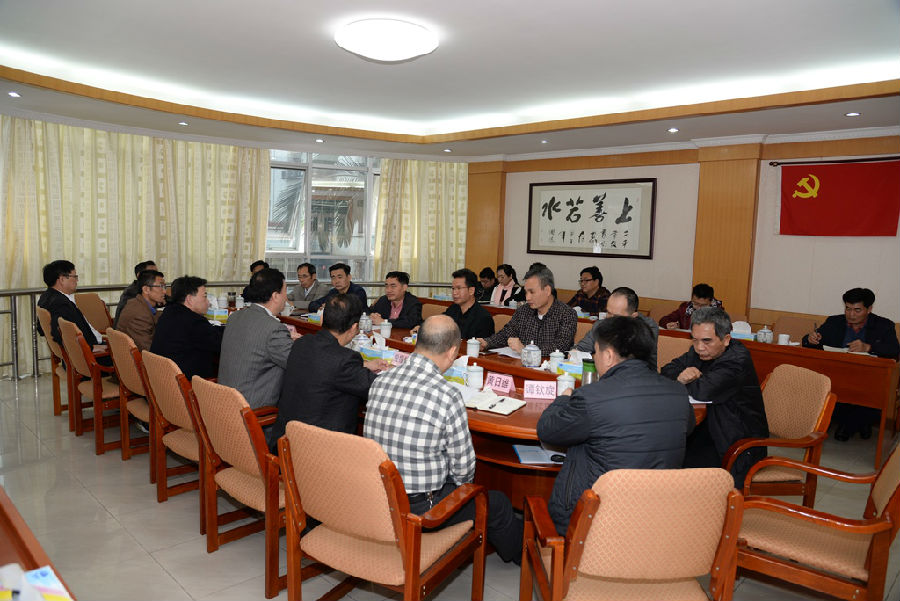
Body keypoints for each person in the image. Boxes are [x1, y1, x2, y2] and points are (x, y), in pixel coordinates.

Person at [364, 315, 523, 564]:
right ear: (451, 352)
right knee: (499, 503)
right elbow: (464, 471)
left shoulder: (380, 381)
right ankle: (527, 559)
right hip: (421, 509)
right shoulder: (446, 394)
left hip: (379, 496)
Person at [538, 316, 694, 535]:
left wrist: (563, 399)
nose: (594, 357)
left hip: (595, 519)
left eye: (595, 352)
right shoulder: (677, 392)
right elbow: (687, 428)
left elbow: (547, 430)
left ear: (609, 355)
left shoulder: (591, 397)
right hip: (656, 517)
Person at [660, 306, 768, 488]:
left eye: (707, 341)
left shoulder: (737, 360)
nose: (699, 347)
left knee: (678, 467)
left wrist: (684, 380)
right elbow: (667, 370)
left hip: (738, 443)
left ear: (726, 339)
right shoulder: (699, 351)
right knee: (665, 454)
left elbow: (703, 390)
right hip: (711, 429)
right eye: (695, 340)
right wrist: (681, 377)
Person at [268, 294, 388, 450]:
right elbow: (378, 387)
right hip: (319, 453)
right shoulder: (345, 359)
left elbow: (326, 367)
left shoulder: (302, 343)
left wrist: (364, 365)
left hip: (284, 445)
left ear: (323, 319)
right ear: (354, 327)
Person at [802, 287, 900, 440]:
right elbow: (810, 343)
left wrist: (869, 347)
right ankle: (859, 423)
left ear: (869, 309)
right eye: (848, 309)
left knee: (868, 395)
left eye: (857, 310)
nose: (851, 314)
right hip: (836, 375)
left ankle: (850, 425)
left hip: (868, 378)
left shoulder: (883, 325)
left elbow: (894, 350)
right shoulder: (834, 322)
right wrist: (810, 339)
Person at [218, 268, 301, 409]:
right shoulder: (273, 329)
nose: (286, 297)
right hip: (251, 412)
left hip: (225, 403)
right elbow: (298, 363)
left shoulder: (235, 317)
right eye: (285, 291)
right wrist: (301, 343)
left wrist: (285, 339)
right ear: (275, 296)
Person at [480, 265, 577, 355]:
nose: (527, 297)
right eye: (526, 292)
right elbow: (506, 333)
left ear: (547, 290)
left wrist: (525, 350)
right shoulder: (523, 310)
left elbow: (560, 347)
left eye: (532, 292)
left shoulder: (566, 314)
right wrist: (486, 342)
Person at [150, 275, 224, 379]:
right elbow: (221, 344)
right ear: (189, 299)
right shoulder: (193, 321)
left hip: (163, 380)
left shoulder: (170, 312)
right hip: (187, 384)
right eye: (205, 296)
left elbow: (209, 332)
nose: (208, 302)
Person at [576, 286, 660, 369]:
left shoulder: (647, 328)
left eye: (617, 316)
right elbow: (578, 351)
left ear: (633, 316)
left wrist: (596, 356)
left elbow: (632, 363)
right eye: (609, 313)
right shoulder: (601, 324)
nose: (611, 320)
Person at [37, 260, 104, 348]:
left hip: (85, 347)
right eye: (75, 277)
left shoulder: (46, 297)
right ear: (62, 279)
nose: (77, 280)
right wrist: (92, 348)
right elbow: (68, 336)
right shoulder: (60, 304)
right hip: (90, 350)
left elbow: (42, 329)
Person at [116, 269, 166, 351]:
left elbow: (155, 314)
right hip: (137, 357)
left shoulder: (136, 302)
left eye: (164, 287)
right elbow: (149, 350)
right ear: (146, 289)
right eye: (161, 286)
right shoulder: (140, 315)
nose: (164, 291)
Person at [443, 268, 494, 339]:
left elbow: (481, 344)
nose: (454, 293)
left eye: (459, 288)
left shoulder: (484, 318)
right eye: (453, 288)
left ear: (471, 290)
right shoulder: (452, 309)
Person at [658, 283, 724, 330]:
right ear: (692, 299)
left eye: (703, 305)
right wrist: (668, 324)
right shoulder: (685, 308)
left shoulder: (718, 312)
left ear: (711, 302)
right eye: (696, 304)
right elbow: (663, 320)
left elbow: (724, 330)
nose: (699, 308)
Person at [113, 260, 157, 327]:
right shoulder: (132, 292)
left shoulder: (146, 289)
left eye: (157, 273)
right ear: (139, 275)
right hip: (130, 330)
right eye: (152, 273)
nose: (156, 276)